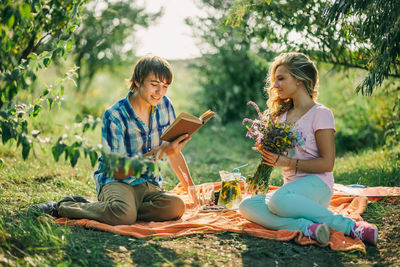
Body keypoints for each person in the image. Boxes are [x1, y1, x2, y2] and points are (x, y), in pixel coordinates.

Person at [30, 56, 195, 225]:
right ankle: (61, 207)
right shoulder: (115, 115)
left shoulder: (165, 106)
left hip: (148, 184)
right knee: (124, 214)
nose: (160, 92)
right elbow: (118, 171)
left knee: (176, 206)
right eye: (154, 84)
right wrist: (160, 153)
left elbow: (174, 153)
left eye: (165, 86)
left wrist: (192, 191)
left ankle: (114, 209)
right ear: (137, 82)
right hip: (116, 182)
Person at [239, 52, 378, 245]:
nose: (275, 85)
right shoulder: (281, 116)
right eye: (274, 80)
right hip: (291, 195)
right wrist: (268, 150)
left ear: (299, 80)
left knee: (277, 201)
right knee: (247, 205)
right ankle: (308, 228)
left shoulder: (320, 114)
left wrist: (286, 162)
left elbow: (327, 164)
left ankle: (352, 227)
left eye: (281, 78)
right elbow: (281, 155)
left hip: (316, 187)